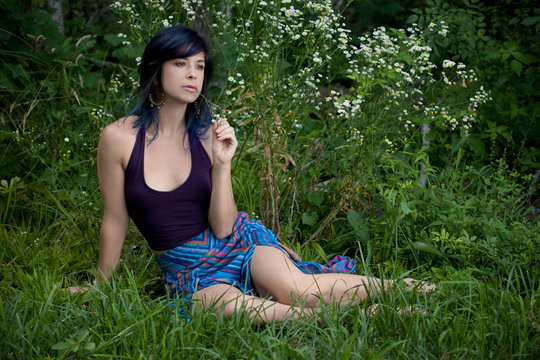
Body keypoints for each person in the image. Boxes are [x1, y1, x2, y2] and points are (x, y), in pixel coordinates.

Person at [73, 25, 434, 322]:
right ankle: (357, 316)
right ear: (156, 69)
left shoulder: (206, 133)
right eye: (181, 63)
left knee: (295, 290)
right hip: (188, 272)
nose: (192, 75)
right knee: (221, 305)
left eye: (199, 66)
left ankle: (414, 288)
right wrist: (101, 284)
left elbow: (224, 227)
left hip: (237, 243)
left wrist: (222, 164)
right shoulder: (119, 138)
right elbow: (116, 219)